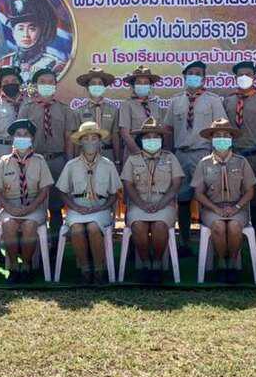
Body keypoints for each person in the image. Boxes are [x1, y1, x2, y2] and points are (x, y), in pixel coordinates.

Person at [162, 60, 225, 250]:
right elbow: (168, 129)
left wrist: (217, 156)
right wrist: (168, 155)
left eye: (198, 73)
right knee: (183, 200)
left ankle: (211, 244)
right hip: (180, 155)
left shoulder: (213, 100)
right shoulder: (176, 101)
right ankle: (185, 242)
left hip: (204, 154)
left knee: (207, 199)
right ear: (184, 76)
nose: (194, 76)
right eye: (191, 73)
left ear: (204, 78)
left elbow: (221, 129)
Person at [191, 118, 256, 284]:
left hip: (237, 208)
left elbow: (250, 191)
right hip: (212, 209)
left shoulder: (241, 162)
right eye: (217, 135)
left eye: (226, 135)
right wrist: (215, 209)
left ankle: (232, 263)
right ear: (211, 139)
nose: (222, 138)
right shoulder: (204, 163)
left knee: (234, 226)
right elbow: (198, 193)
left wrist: (236, 207)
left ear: (231, 138)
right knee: (219, 226)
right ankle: (221, 263)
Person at [56, 121, 122, 284]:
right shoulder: (71, 165)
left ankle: (99, 270)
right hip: (77, 207)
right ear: (80, 142)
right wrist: (75, 207)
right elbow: (62, 191)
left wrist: (103, 207)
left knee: (93, 227)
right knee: (77, 229)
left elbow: (114, 194)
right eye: (86, 138)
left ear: (100, 142)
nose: (90, 142)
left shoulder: (108, 165)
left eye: (94, 138)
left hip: (100, 207)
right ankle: (85, 270)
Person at [121, 117, 184, 284]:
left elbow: (176, 184)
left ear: (161, 139)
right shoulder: (133, 159)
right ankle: (145, 263)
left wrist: (161, 204)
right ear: (141, 140)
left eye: (155, 137)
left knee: (159, 226)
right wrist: (141, 204)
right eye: (147, 137)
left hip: (164, 203)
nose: (151, 140)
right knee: (138, 226)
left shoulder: (170, 158)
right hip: (139, 203)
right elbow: (128, 185)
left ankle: (156, 263)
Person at [0, 119, 54, 283]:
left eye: (26, 135)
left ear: (32, 138)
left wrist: (30, 208)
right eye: (18, 134)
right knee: (9, 224)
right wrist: (9, 208)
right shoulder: (4, 161)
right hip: (9, 206)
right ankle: (13, 267)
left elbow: (44, 190)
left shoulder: (39, 160)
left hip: (34, 206)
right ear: (13, 138)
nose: (22, 137)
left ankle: (26, 266)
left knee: (29, 225)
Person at [18, 67, 76, 238]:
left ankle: (55, 243)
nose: (47, 85)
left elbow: (68, 139)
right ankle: (34, 243)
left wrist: (69, 163)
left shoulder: (64, 109)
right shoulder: (27, 108)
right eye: (42, 82)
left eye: (50, 82)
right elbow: (21, 135)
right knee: (33, 201)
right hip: (33, 161)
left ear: (55, 85)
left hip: (57, 161)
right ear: (35, 86)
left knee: (56, 205)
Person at [222, 60, 256, 235]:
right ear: (235, 78)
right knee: (232, 199)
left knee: (255, 203)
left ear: (255, 77)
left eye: (248, 74)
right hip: (232, 158)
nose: (244, 77)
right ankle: (233, 240)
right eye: (240, 75)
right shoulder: (228, 101)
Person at [0, 0, 68, 83]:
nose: (26, 34)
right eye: (20, 28)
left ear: (42, 31)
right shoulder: (1, 64)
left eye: (32, 28)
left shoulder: (55, 66)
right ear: (13, 31)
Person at [76, 67, 121, 168]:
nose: (97, 86)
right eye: (93, 83)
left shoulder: (113, 110)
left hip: (108, 153)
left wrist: (117, 160)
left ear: (104, 87)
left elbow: (115, 136)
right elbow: (76, 139)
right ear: (87, 87)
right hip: (86, 155)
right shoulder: (79, 111)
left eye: (100, 83)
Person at [118, 66, 164, 163]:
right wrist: (139, 154)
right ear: (133, 86)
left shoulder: (155, 105)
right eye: (139, 82)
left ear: (150, 86)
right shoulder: (126, 105)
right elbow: (125, 133)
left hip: (155, 155)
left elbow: (160, 132)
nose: (142, 85)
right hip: (134, 155)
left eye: (146, 83)